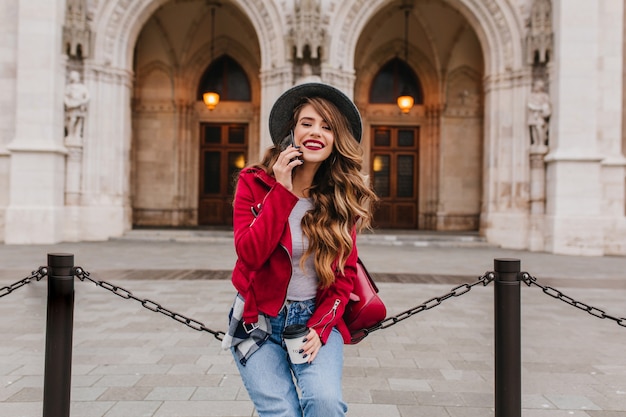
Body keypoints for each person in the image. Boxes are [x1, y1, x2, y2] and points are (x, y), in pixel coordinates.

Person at [222, 83, 378, 417]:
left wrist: (321, 328)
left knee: (325, 404)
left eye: (327, 127)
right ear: (291, 131)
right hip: (257, 320)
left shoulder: (341, 197)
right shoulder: (254, 182)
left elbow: (344, 275)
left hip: (313, 318)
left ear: (336, 141)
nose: (316, 132)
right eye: (307, 123)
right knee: (281, 411)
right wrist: (282, 190)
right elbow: (249, 254)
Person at [64, 70, 90, 140]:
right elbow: (65, 96)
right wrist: (68, 103)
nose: (75, 78)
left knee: (79, 120)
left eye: (76, 76)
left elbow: (87, 96)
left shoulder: (82, 87)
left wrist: (83, 102)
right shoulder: (69, 87)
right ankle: (70, 134)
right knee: (72, 119)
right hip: (72, 106)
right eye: (74, 76)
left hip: (80, 106)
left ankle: (77, 134)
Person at [527, 79, 551, 146]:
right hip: (533, 114)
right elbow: (529, 104)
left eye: (536, 86)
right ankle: (535, 142)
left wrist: (540, 109)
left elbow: (546, 105)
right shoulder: (532, 96)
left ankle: (541, 142)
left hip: (540, 115)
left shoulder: (544, 96)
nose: (534, 87)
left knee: (539, 127)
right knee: (533, 128)